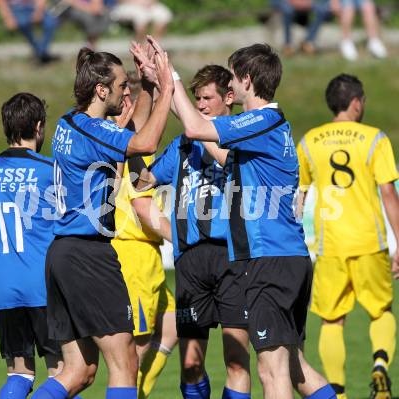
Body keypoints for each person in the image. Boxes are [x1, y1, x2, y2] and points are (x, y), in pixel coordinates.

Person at [143, 37, 337, 399]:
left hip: (270, 260)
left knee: (271, 369)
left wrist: (172, 78)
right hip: (287, 257)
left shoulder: (260, 121)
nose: (229, 85)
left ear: (246, 79)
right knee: (294, 366)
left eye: (232, 77)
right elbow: (205, 139)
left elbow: (197, 128)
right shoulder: (264, 130)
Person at [30, 45, 174, 399]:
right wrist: (168, 88)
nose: (127, 92)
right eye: (123, 85)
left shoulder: (70, 122)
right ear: (101, 90)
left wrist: (146, 85)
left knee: (79, 372)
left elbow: (131, 136)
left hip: (62, 254)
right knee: (125, 362)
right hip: (89, 255)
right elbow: (146, 140)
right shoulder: (94, 130)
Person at [134, 64, 251, 399]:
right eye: (196, 98)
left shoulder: (242, 135)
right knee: (190, 365)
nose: (200, 105)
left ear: (229, 98)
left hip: (232, 259)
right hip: (192, 263)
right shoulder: (183, 145)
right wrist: (170, 231)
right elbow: (143, 185)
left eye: (207, 98)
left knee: (237, 362)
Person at [0, 92, 68, 399]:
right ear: (38, 127)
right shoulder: (49, 171)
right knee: (64, 373)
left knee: (19, 372)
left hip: (3, 287)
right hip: (42, 284)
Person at [296, 74, 399, 399]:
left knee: (332, 320)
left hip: (331, 244)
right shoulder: (374, 138)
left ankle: (338, 393)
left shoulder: (310, 141)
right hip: (370, 241)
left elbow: (298, 196)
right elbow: (388, 195)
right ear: (356, 102)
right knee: (381, 311)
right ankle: (380, 366)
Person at [112, 72, 177, 399]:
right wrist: (181, 238)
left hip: (146, 258)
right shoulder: (129, 148)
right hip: (132, 257)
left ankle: (140, 393)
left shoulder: (131, 143)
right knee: (133, 351)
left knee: (172, 322)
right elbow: (143, 208)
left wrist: (150, 81)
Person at [0, 0, 59, 64]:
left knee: (51, 22)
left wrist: (38, 11)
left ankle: (41, 53)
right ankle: (41, 54)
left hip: (34, 6)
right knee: (23, 24)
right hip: (16, 9)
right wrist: (7, 17)